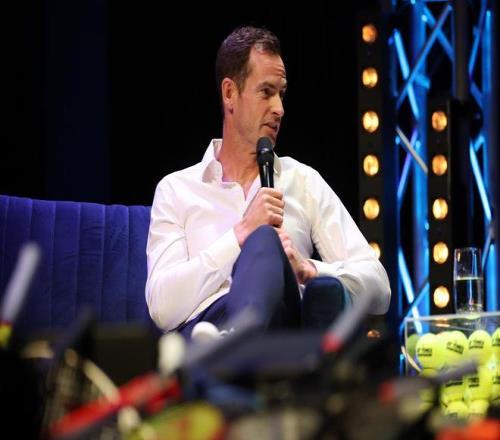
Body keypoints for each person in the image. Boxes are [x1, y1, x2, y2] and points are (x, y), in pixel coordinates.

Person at [146, 26, 390, 338]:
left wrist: (309, 269)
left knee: (267, 244)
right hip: (205, 331)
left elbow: (380, 288)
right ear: (229, 93)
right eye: (266, 92)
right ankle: (232, 344)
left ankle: (237, 344)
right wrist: (240, 235)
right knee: (261, 238)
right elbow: (163, 308)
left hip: (280, 337)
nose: (279, 109)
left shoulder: (302, 181)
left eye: (282, 94)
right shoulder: (177, 189)